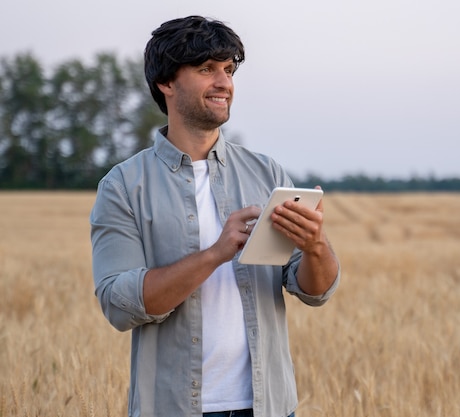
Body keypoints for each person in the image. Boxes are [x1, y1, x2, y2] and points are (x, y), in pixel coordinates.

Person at [90, 16, 340, 417]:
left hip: (269, 406)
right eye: (207, 69)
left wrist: (315, 248)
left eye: (228, 70)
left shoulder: (267, 174)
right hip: (171, 408)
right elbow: (119, 305)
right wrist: (214, 254)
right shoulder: (123, 186)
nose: (224, 83)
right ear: (166, 83)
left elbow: (315, 291)